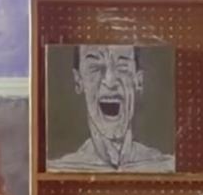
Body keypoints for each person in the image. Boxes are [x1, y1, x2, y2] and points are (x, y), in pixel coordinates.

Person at [48, 44, 175, 172]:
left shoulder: (165, 166)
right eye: (95, 68)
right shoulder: (61, 169)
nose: (110, 81)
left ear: (138, 81)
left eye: (122, 66)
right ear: (78, 81)